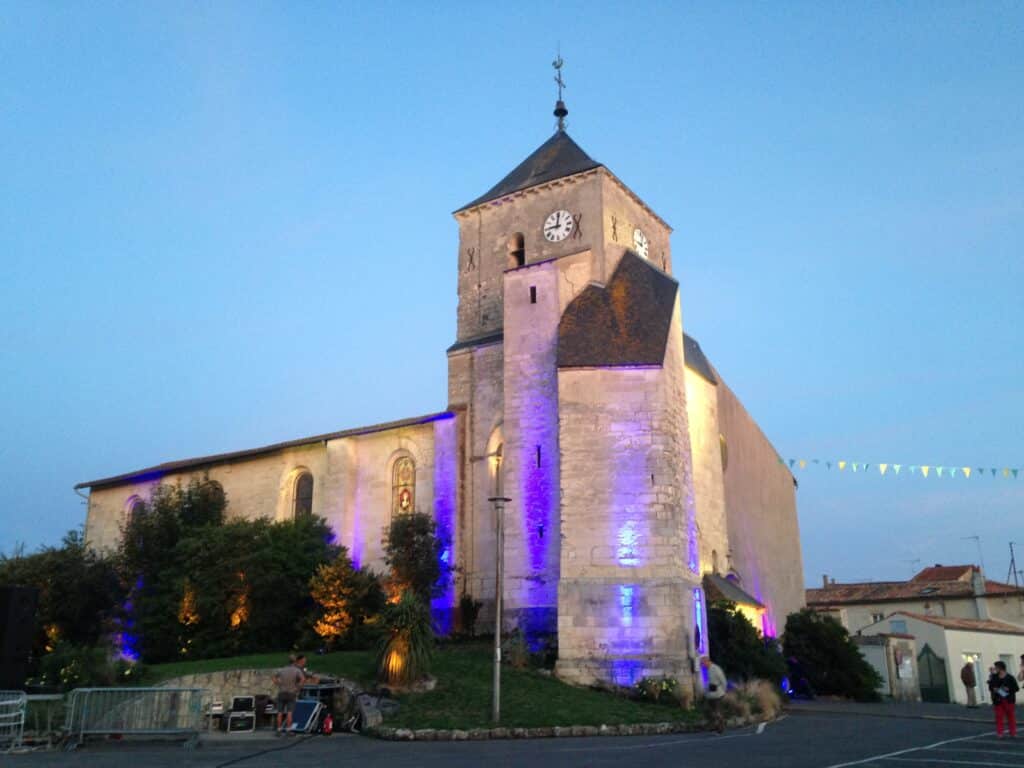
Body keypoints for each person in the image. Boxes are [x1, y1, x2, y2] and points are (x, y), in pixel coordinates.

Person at [273, 653, 313, 735]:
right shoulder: (296, 670)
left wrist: (278, 683)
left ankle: (279, 729)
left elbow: (273, 677)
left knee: (280, 712)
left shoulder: (282, 669)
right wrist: (298, 688)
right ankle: (288, 730)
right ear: (294, 662)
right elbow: (303, 679)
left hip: (282, 692)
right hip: (291, 693)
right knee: (289, 712)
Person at [988, 660, 1019, 738]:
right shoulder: (994, 677)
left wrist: (1008, 689)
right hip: (998, 699)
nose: (995, 669)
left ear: (1001, 668)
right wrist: (993, 689)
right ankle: (1000, 733)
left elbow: (1016, 688)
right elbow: (990, 687)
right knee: (999, 716)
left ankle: (1013, 732)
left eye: (996, 667)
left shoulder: (1010, 677)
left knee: (1010, 716)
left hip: (1008, 699)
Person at [701, 655, 728, 733]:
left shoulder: (716, 669)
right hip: (710, 694)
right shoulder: (707, 670)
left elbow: (723, 681)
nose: (703, 665)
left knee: (717, 711)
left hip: (717, 694)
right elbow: (708, 682)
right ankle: (714, 725)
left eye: (703, 663)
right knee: (710, 711)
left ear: (707, 661)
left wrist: (723, 691)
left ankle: (721, 727)